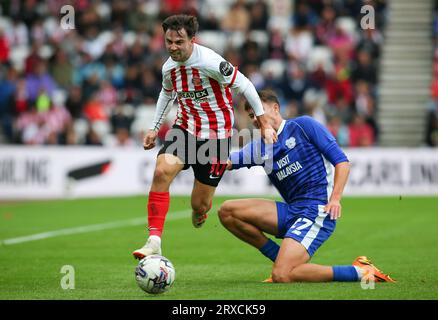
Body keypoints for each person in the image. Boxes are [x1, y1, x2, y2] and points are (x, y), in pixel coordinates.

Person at [132, 15, 277, 259]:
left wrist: (263, 123)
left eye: (179, 42)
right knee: (161, 172)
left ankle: (199, 213)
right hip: (184, 130)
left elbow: (246, 85)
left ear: (192, 40)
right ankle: (154, 239)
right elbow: (167, 94)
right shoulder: (168, 67)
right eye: (169, 42)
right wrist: (154, 128)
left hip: (216, 138)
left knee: (200, 204)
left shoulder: (210, 62)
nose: (173, 47)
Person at [218, 89, 395, 283]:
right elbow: (225, 162)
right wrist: (192, 154)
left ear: (276, 108)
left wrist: (335, 198)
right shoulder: (260, 147)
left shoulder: (303, 126)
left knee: (282, 276)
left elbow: (342, 162)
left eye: (258, 111)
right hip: (292, 211)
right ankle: (281, 260)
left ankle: (361, 272)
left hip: (317, 210)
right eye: (251, 115)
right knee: (227, 211)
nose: (255, 118)